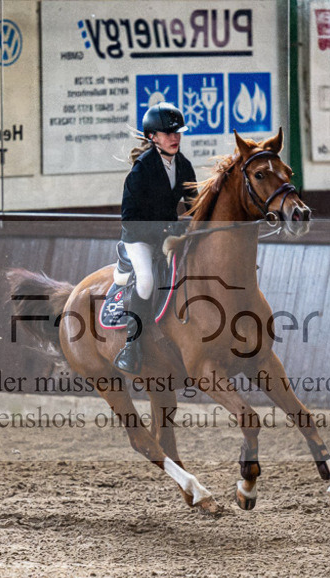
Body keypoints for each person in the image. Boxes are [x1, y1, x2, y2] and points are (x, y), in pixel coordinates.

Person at [114, 102, 198, 374]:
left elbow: (194, 205)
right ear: (153, 137)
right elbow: (130, 218)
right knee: (147, 279)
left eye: (177, 132)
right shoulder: (141, 170)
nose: (175, 138)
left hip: (168, 236)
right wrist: (164, 232)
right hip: (139, 238)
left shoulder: (183, 165)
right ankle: (131, 346)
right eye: (167, 133)